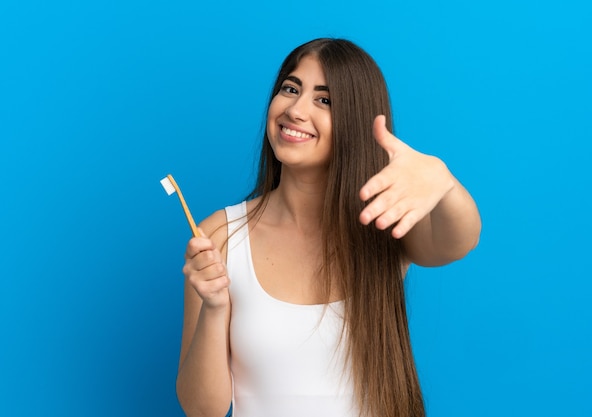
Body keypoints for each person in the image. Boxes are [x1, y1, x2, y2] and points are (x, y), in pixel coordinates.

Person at [175, 38, 481, 417]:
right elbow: (202, 408)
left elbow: (458, 243)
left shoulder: (383, 222)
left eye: (325, 100)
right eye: (290, 89)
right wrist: (215, 308)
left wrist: (443, 181)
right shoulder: (219, 235)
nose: (296, 110)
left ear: (355, 120)